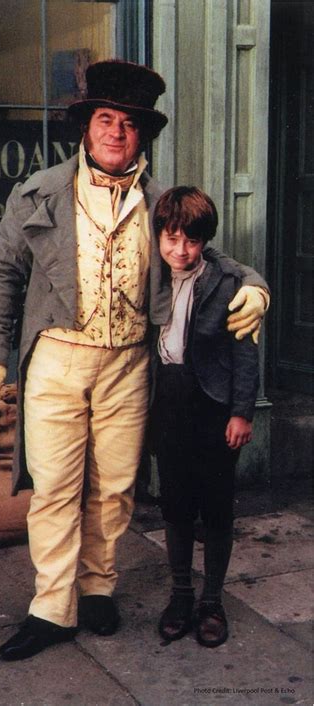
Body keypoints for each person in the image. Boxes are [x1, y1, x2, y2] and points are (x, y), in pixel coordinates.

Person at [0, 60, 269, 661]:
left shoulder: (162, 203)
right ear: (86, 127)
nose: (115, 132)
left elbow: (215, 257)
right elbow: (0, 272)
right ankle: (52, 608)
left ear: (144, 136)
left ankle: (98, 587)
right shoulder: (39, 192)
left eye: (129, 124)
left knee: (113, 487)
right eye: (105, 119)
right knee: (55, 488)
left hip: (130, 363)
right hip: (58, 358)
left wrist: (256, 287)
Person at [150, 186, 260, 648]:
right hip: (167, 404)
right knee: (175, 505)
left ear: (204, 242)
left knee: (215, 506)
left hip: (213, 407)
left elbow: (245, 355)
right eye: (172, 239)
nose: (181, 250)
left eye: (191, 242)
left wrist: (241, 413)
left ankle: (212, 600)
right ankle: (180, 594)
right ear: (159, 237)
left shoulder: (228, 282)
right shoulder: (149, 274)